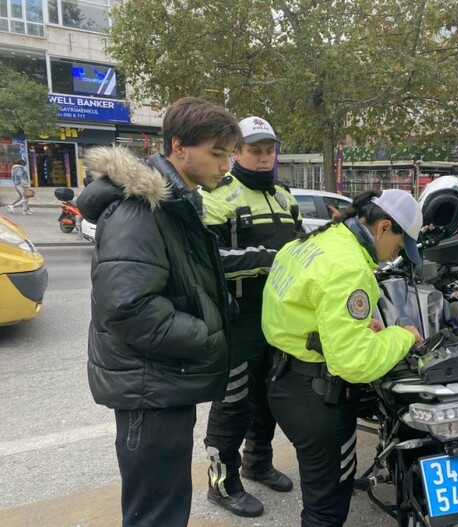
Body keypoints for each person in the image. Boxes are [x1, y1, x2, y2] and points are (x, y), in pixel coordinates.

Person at [76, 97, 240, 527]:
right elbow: (127, 306)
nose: (226, 165)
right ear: (179, 147)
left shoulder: (175, 202)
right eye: (218, 153)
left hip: (163, 379)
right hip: (150, 386)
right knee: (156, 514)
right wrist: (205, 336)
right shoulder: (141, 208)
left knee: (164, 506)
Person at [262, 189, 424, 527]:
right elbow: (354, 362)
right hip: (319, 397)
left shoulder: (314, 241)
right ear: (382, 228)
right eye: (398, 244)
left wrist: (360, 326)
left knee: (324, 486)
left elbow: (299, 308)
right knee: (327, 510)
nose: (394, 256)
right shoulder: (349, 268)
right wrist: (401, 337)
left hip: (285, 378)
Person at [200, 116, 300, 517]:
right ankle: (222, 485)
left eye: (269, 150)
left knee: (268, 398)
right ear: (236, 151)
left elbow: (301, 252)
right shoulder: (217, 196)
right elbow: (210, 261)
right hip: (238, 319)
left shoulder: (285, 196)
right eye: (254, 150)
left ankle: (257, 462)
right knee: (233, 403)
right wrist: (272, 260)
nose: (263, 158)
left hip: (280, 319)